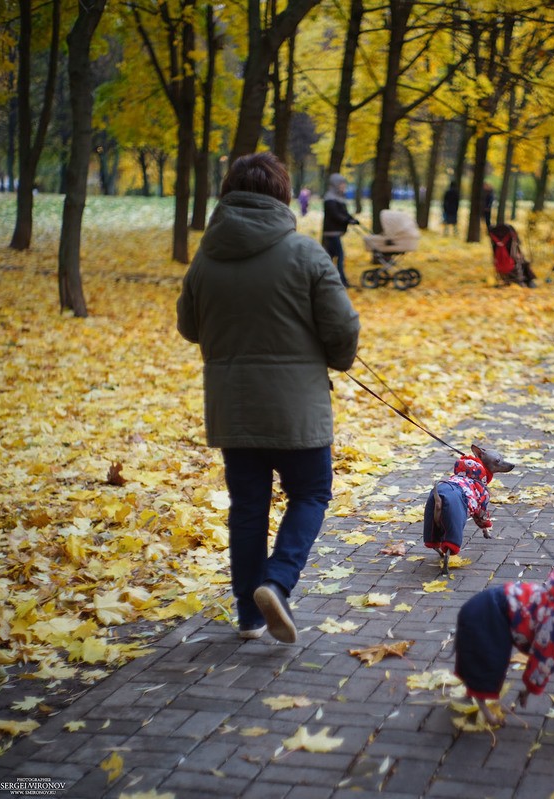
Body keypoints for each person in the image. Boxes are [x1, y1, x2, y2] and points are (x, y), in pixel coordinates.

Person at [176, 152, 360, 644]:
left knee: (248, 508)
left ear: (228, 195)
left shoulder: (206, 257)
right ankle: (276, 582)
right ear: (282, 195)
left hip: (233, 408)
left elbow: (189, 327)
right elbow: (341, 325)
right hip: (297, 408)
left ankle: (249, 615)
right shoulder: (306, 254)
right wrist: (338, 359)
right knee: (312, 493)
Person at [322, 173, 359, 287]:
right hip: (331, 232)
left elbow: (343, 213)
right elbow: (335, 215)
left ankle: (328, 281)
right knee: (340, 256)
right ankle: (341, 281)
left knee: (330, 257)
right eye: (342, 184)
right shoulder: (330, 198)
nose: (344, 186)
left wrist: (351, 219)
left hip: (336, 232)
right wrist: (347, 220)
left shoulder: (339, 198)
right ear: (336, 185)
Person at [489, 222, 537, 288]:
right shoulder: (510, 239)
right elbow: (516, 250)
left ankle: (512, 281)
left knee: (521, 262)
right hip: (511, 263)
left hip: (498, 263)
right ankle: (528, 282)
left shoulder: (495, 241)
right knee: (524, 263)